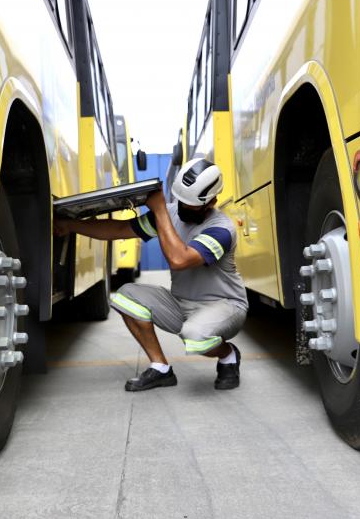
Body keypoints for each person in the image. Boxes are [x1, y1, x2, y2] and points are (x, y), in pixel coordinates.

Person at [53, 158, 248, 391]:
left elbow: (180, 259)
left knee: (195, 336)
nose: (183, 207)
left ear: (211, 201)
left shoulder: (222, 229)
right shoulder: (171, 213)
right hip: (180, 303)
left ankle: (228, 354)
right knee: (125, 296)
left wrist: (159, 212)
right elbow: (117, 230)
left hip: (224, 306)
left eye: (190, 203)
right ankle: (161, 368)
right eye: (180, 200)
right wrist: (71, 225)